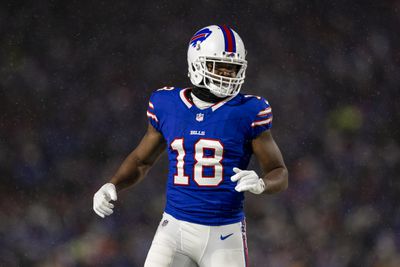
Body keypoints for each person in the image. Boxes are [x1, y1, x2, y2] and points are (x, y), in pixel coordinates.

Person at [93, 25, 288, 267]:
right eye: (220, 66)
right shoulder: (167, 104)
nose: (228, 75)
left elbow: (279, 171)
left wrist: (262, 183)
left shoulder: (249, 110)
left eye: (233, 68)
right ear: (196, 63)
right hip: (175, 229)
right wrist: (113, 183)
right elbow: (142, 161)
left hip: (225, 233)